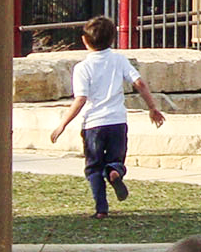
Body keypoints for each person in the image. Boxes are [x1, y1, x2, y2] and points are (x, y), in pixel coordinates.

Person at [50, 15, 167, 220]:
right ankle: (114, 171)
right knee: (116, 159)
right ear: (113, 38)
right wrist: (152, 107)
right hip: (117, 121)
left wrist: (62, 124)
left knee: (94, 167)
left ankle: (101, 209)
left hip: (93, 125)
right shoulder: (119, 60)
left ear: (84, 40)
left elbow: (81, 99)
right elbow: (139, 83)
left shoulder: (82, 68)